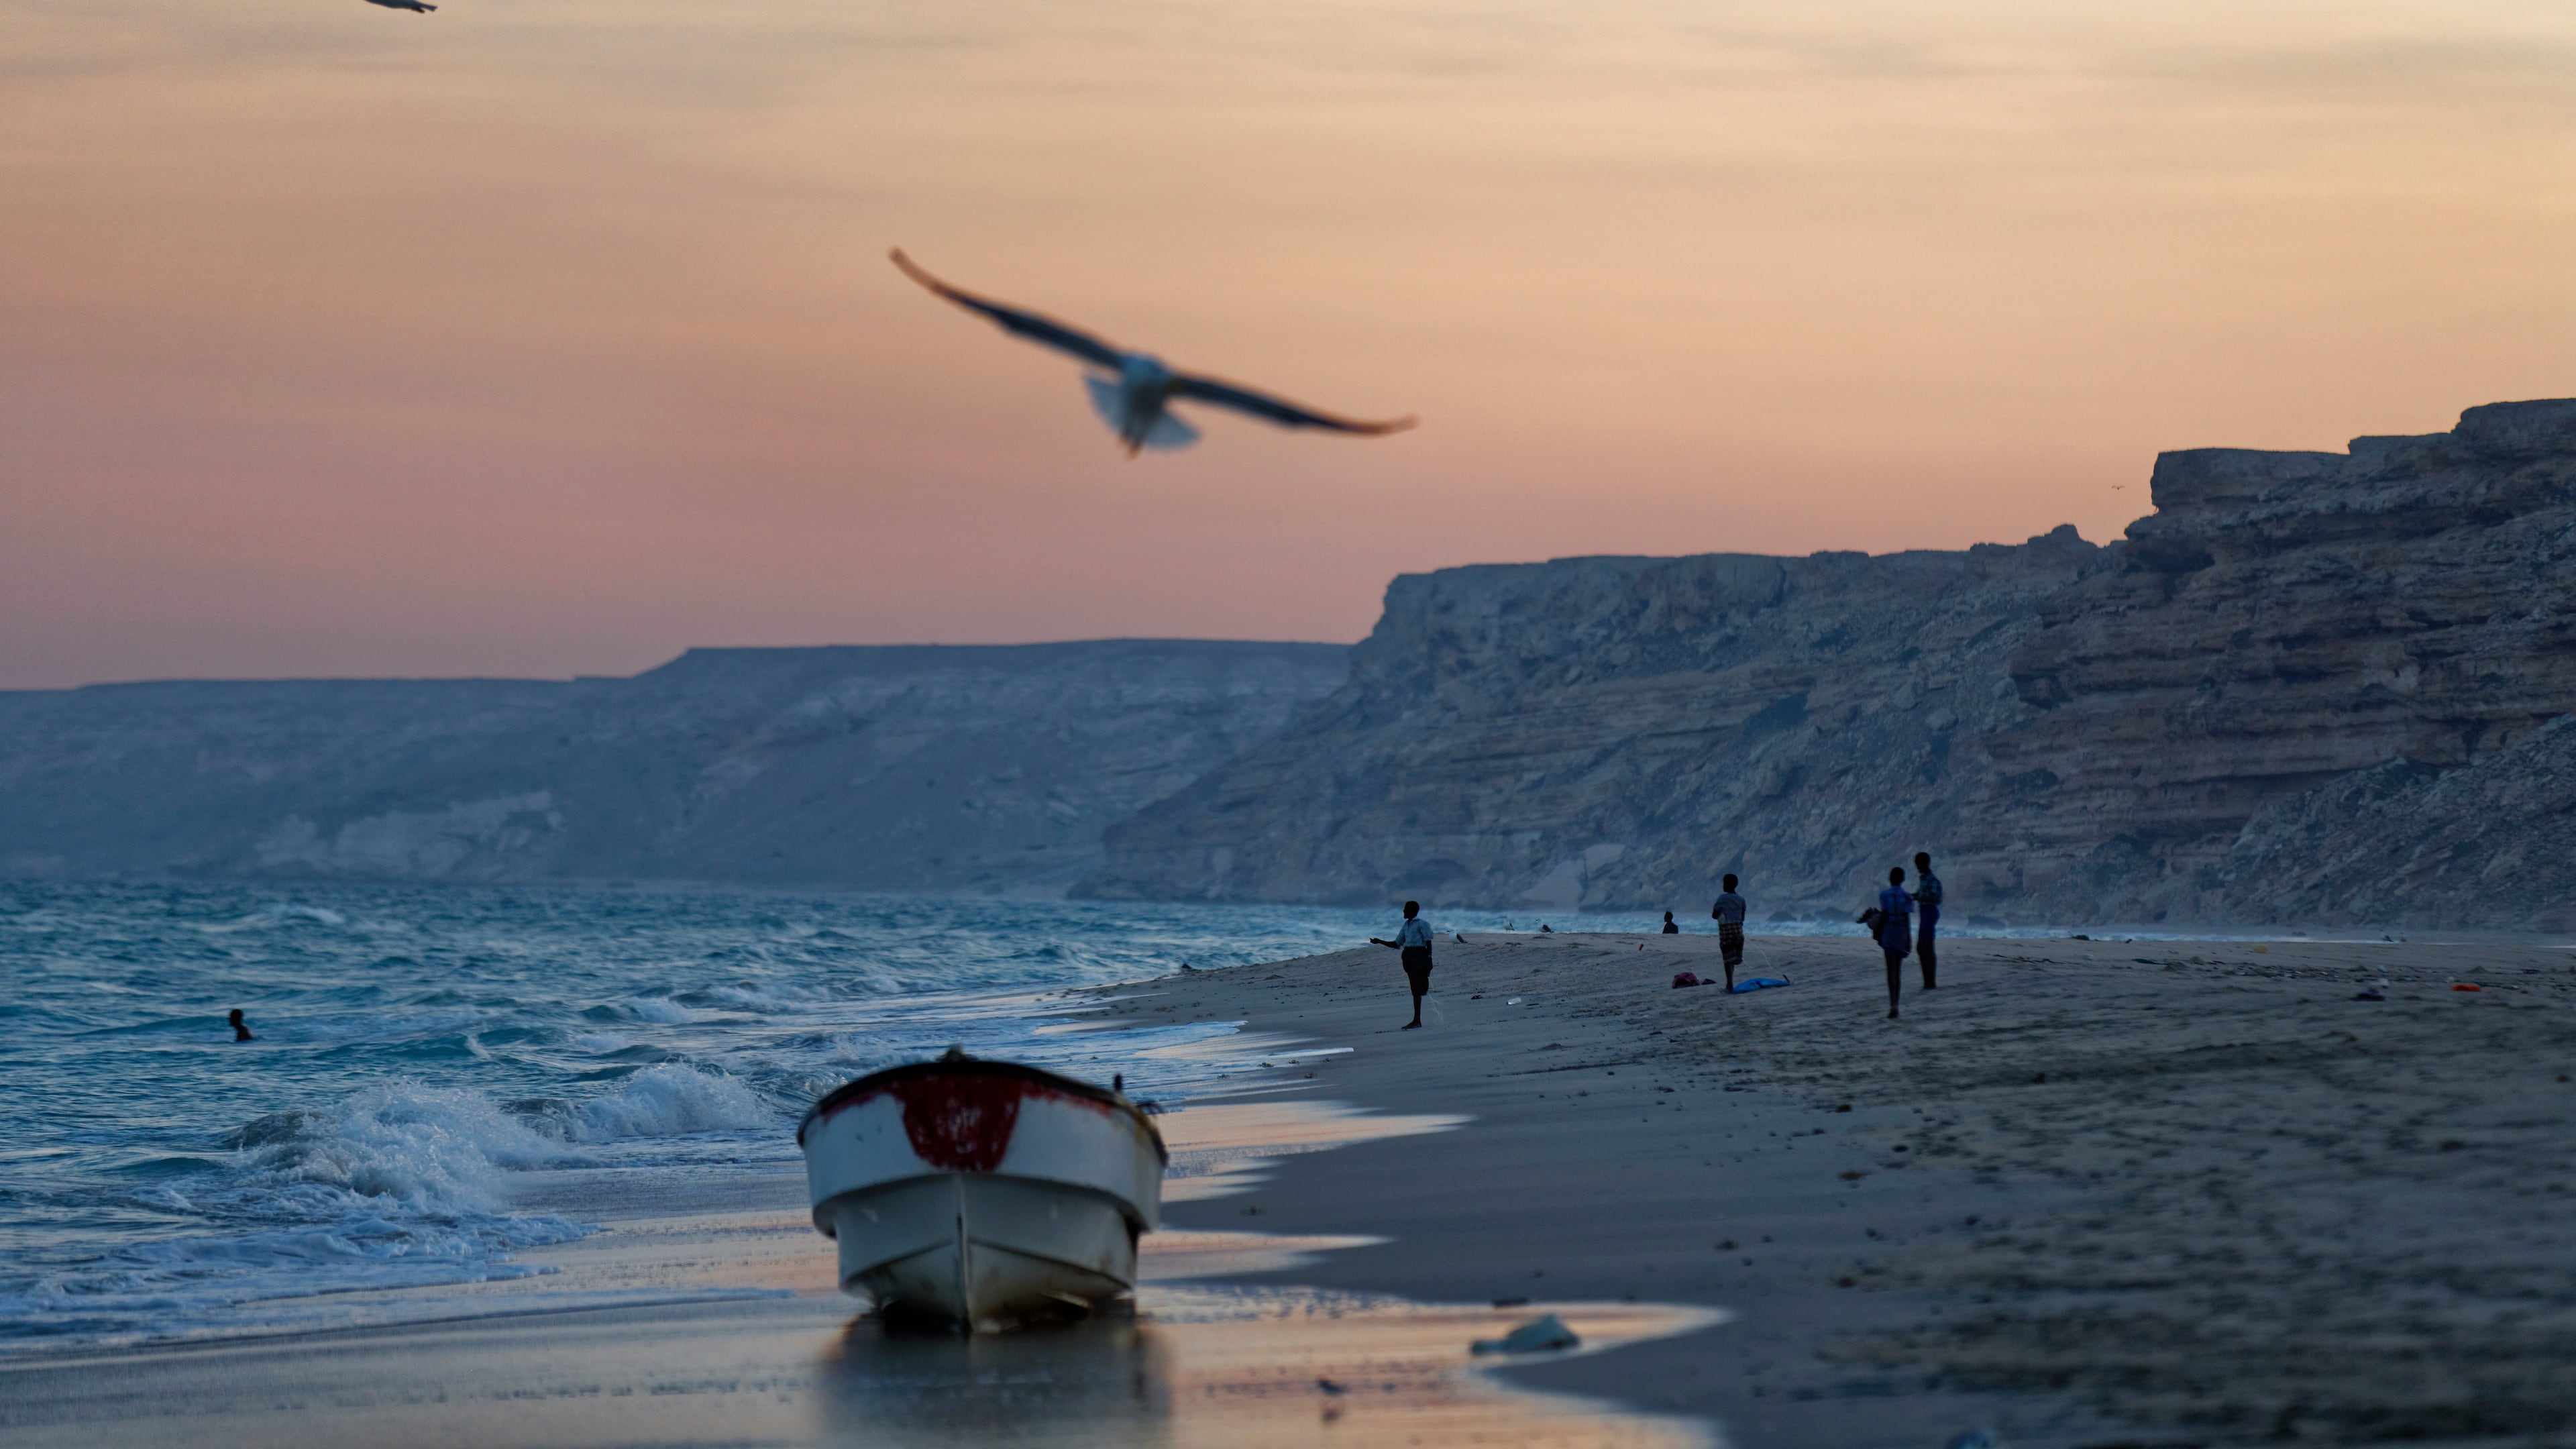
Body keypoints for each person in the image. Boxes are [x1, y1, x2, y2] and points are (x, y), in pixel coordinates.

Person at [1368, 900, 1436, 1030]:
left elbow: (1428, 941)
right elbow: (1397, 943)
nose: (1403, 911)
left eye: (1405, 909)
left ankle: (1417, 1020)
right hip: (1409, 957)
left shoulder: (1422, 924)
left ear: (1412, 910)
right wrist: (1380, 941)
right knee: (1414, 988)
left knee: (1417, 988)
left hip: (1419, 957)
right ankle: (1416, 1020)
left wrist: (1428, 958)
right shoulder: (1406, 925)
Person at [1874, 867, 1914, 1019]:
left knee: (1890, 971)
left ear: (1890, 879)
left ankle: (1893, 1005)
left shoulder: (1884, 895)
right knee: (1898, 971)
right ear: (1902, 879)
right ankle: (1897, 1003)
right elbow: (1907, 920)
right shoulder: (1907, 897)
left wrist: (1877, 933)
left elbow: (1884, 915)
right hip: (1901, 933)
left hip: (1889, 932)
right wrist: (1909, 940)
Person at [1911, 851, 1943, 989]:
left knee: (1927, 947)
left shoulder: (1932, 880)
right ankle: (1928, 981)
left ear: (1926, 864)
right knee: (1923, 947)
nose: (1918, 868)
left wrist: (1919, 898)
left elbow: (1935, 898)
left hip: (1929, 912)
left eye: (1919, 865)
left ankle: (1930, 982)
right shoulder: (1924, 878)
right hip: (1925, 912)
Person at [1709, 875, 1747, 989]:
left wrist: (1721, 915)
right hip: (1738, 930)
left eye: (1724, 883)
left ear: (1726, 885)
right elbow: (1742, 918)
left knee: (1727, 959)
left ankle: (1729, 984)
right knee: (1734, 957)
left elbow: (1714, 915)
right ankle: (1731, 980)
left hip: (1726, 930)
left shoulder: (1722, 898)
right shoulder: (1741, 900)